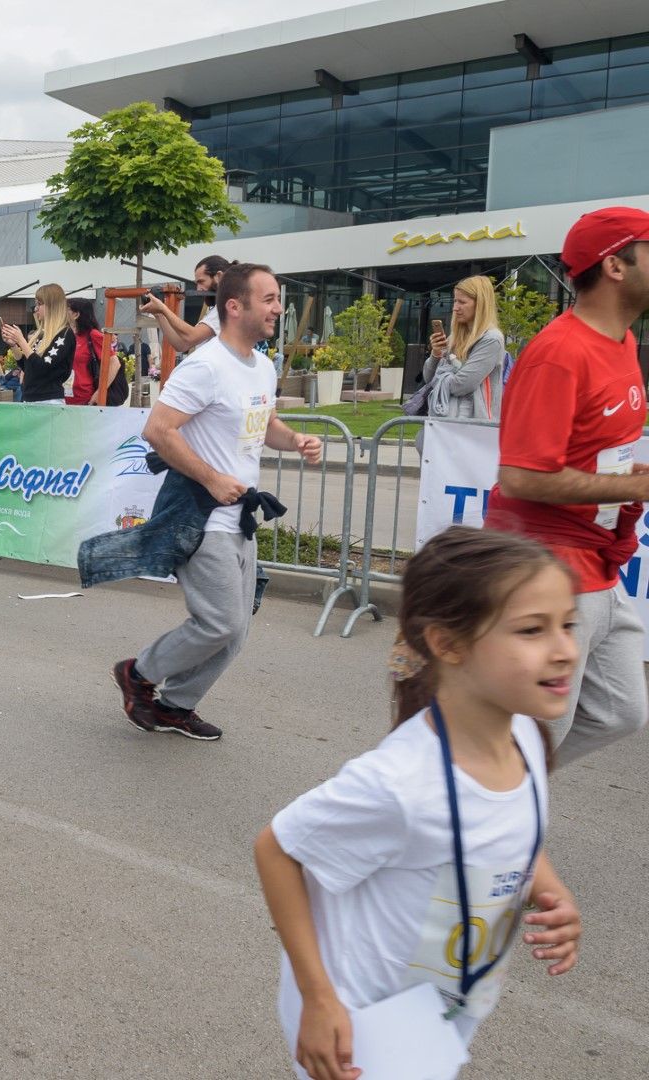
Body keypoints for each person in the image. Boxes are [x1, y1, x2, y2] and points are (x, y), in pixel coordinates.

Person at [255, 527, 582, 1080]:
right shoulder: (401, 782)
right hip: (360, 1020)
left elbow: (511, 830)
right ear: (448, 644)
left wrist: (548, 889)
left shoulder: (523, 734)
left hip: (441, 1005)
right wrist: (319, 999)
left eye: (568, 625)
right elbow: (279, 848)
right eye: (532, 630)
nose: (565, 649)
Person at [114, 264, 321, 740]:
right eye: (268, 299)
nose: (278, 308)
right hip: (198, 515)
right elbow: (157, 430)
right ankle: (138, 673)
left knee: (236, 628)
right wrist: (210, 478)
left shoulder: (263, 366)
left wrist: (297, 441)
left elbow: (265, 426)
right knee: (221, 622)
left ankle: (174, 705)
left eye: (277, 299)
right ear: (235, 306)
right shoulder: (205, 365)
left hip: (239, 518)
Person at [485, 206, 649, 766]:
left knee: (622, 710)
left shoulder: (622, 342)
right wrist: (630, 488)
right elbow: (521, 476)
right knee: (537, 731)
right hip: (548, 565)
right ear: (616, 266)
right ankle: (488, 811)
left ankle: (501, 791)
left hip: (599, 562)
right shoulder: (559, 353)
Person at [422, 276, 506, 421]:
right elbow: (428, 378)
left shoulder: (491, 339)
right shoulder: (454, 338)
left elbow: (461, 385)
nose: (455, 308)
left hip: (475, 426)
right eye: (455, 301)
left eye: (462, 302)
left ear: (480, 304)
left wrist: (442, 376)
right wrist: (435, 354)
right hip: (446, 419)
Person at [137, 255, 235, 353]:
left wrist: (163, 309)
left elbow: (191, 336)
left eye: (201, 282)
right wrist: (159, 314)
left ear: (219, 276)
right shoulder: (218, 310)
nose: (198, 289)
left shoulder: (227, 308)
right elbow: (182, 345)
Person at [0, 283, 75, 403]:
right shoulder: (42, 334)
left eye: (39, 304)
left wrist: (21, 340)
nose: (35, 309)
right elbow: (28, 366)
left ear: (52, 306)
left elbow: (42, 367)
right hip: (31, 398)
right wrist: (13, 345)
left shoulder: (65, 334)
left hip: (48, 400)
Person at [66, 297, 128, 406]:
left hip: (86, 399)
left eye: (66, 309)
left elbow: (115, 363)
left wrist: (100, 392)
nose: (62, 313)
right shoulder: (68, 336)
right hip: (67, 398)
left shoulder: (93, 335)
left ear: (76, 314)